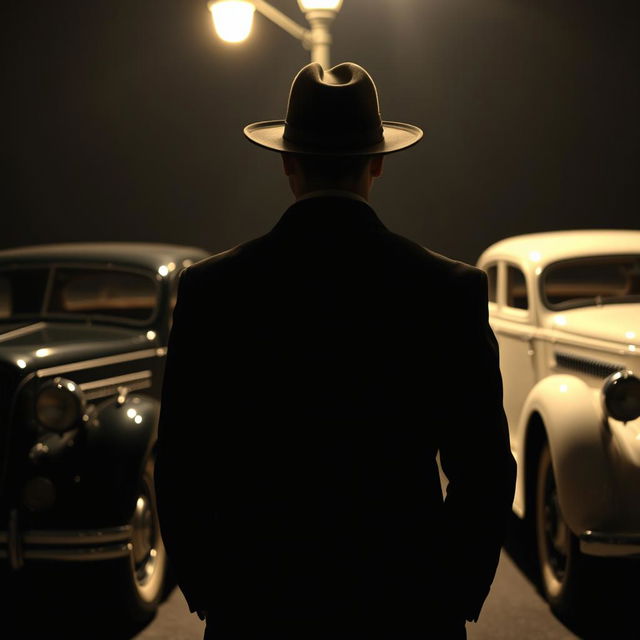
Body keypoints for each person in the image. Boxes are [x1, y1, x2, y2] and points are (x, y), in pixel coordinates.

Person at [154, 62, 516, 639]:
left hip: (258, 603)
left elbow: (181, 462)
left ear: (286, 162)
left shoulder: (214, 288)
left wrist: (210, 588)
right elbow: (485, 469)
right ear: (377, 163)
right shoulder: (447, 290)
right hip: (405, 605)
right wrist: (452, 592)